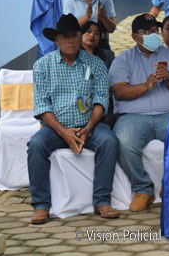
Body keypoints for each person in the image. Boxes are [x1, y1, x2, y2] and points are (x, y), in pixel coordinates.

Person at [27, 14, 119, 224]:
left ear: (79, 38)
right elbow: (42, 107)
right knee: (36, 144)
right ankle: (41, 205)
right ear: (56, 40)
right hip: (55, 128)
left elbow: (101, 101)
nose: (70, 41)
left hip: (90, 126)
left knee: (109, 141)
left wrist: (88, 127)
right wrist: (64, 133)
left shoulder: (96, 64)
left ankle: (102, 201)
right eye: (65, 36)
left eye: (74, 36)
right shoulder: (42, 66)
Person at [109, 13, 169, 212]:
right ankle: (143, 189)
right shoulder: (123, 60)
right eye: (147, 32)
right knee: (123, 141)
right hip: (134, 117)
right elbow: (119, 91)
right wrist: (145, 86)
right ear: (135, 37)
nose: (153, 35)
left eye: (155, 30)